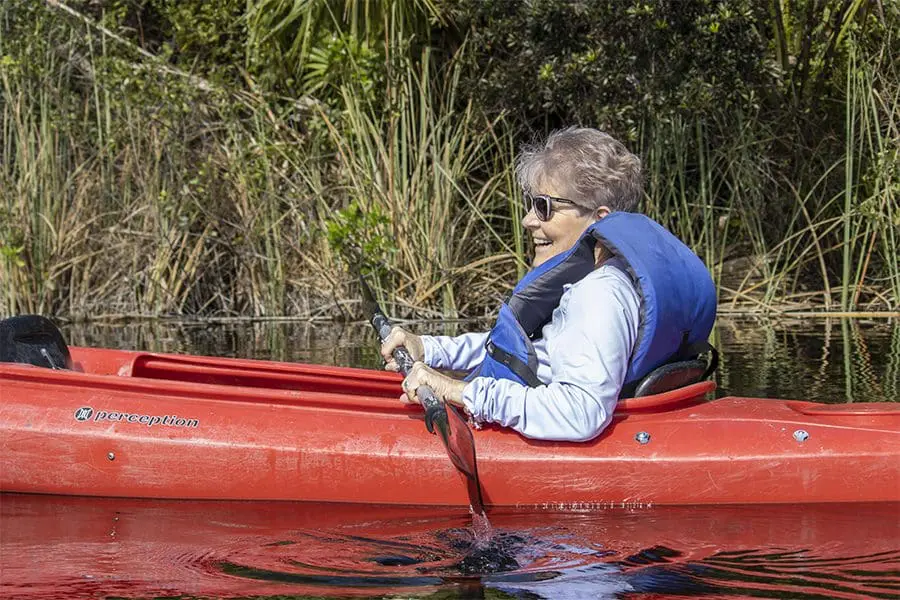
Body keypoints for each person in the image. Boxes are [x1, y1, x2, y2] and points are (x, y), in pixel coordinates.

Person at [381, 127, 716, 442]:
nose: (528, 220)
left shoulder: (599, 294)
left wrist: (459, 392)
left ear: (599, 218)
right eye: (531, 205)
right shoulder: (607, 279)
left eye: (544, 207)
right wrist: (431, 349)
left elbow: (581, 412)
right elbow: (528, 352)